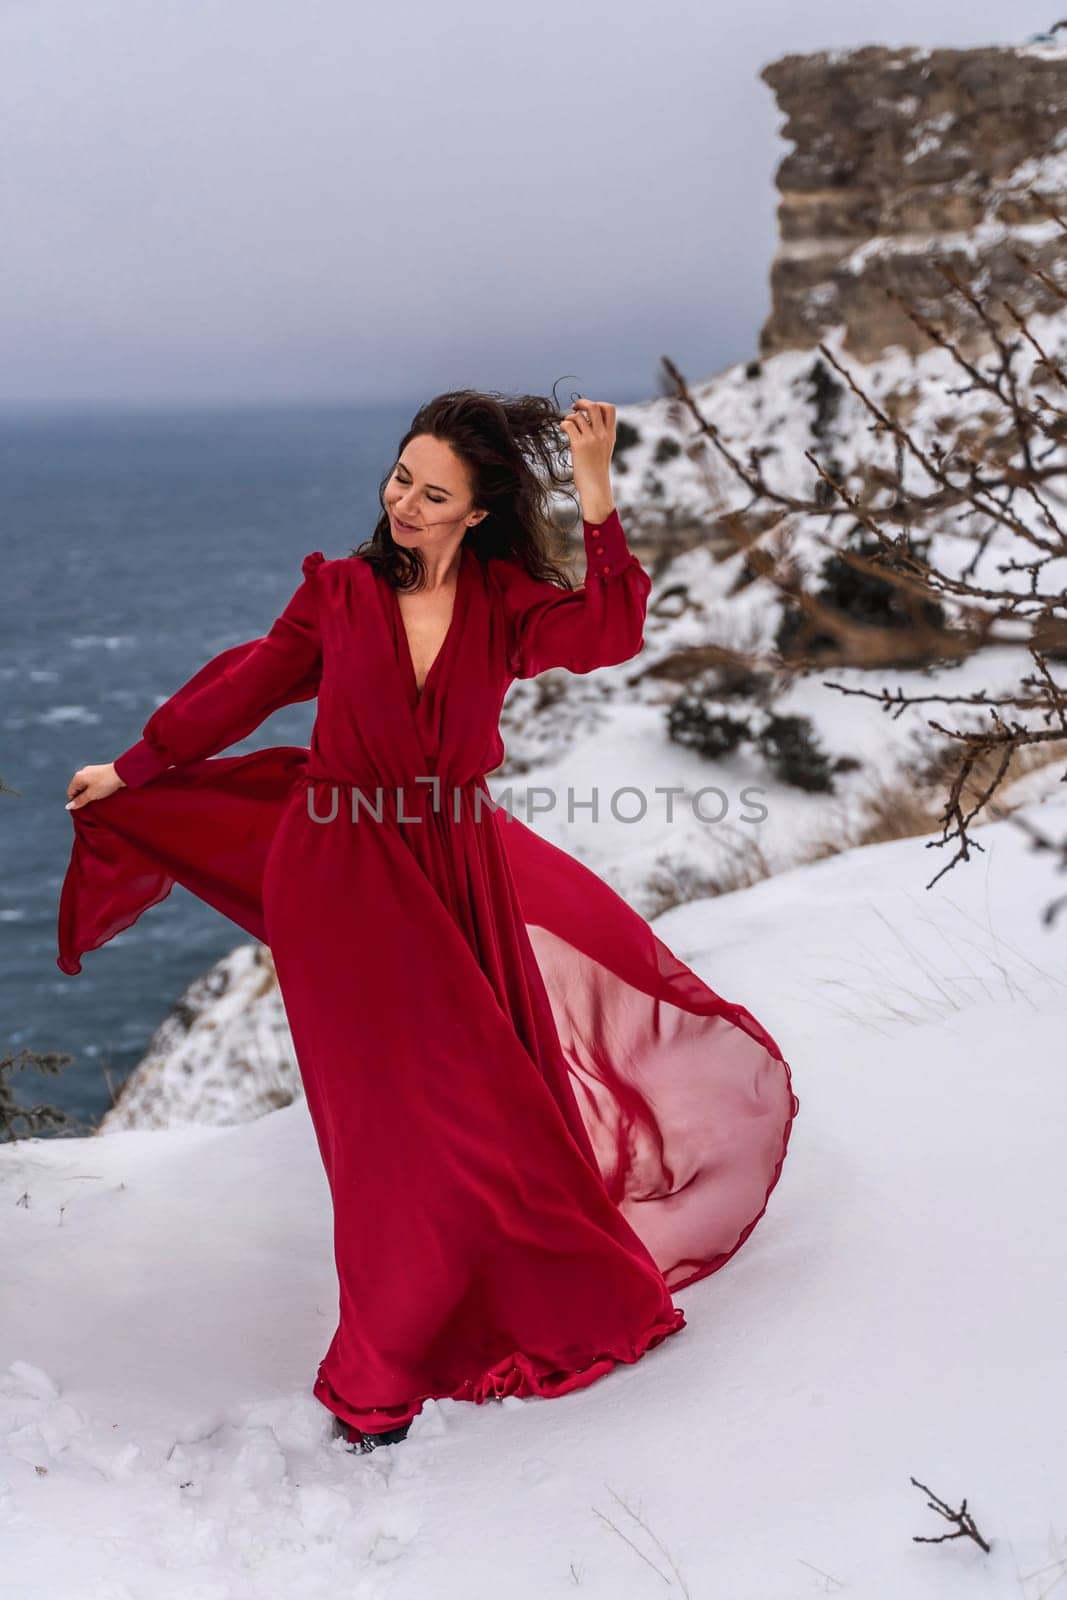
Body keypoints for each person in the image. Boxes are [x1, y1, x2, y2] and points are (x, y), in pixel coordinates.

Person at [59, 389, 798, 1454]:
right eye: (400, 478)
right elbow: (245, 687)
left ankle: (538, 1300)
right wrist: (134, 765)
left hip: (454, 863)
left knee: (493, 1097)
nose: (403, 501)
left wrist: (598, 500)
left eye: (432, 491)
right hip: (339, 875)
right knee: (390, 1128)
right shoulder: (340, 592)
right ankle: (381, 1368)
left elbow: (608, 632)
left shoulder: (505, 601)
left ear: (478, 511)